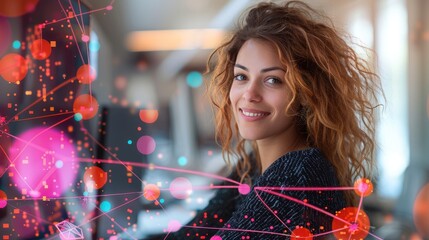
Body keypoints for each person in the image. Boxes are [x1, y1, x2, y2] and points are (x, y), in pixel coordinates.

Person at [166, 1, 381, 239]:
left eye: (272, 80)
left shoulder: (297, 176)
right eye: (241, 76)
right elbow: (191, 232)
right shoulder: (253, 165)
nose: (249, 94)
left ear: (306, 94)